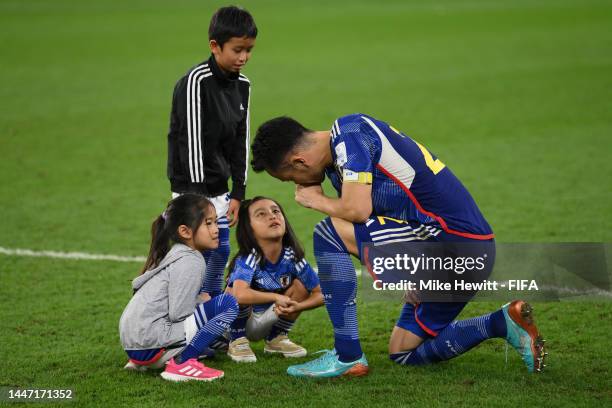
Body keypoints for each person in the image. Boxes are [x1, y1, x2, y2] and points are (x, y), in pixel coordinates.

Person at [250, 114, 546, 378]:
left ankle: (347, 356)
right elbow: (374, 222)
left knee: (328, 233)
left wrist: (317, 201)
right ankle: (501, 322)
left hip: (454, 242)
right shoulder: (339, 161)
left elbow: (358, 212)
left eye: (290, 178)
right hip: (466, 251)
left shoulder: (349, 132)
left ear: (299, 162)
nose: (296, 187)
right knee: (403, 351)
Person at [166, 6, 257, 299]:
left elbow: (239, 142)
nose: (243, 58)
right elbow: (189, 143)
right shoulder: (195, 83)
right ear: (215, 46)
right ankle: (185, 321)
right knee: (195, 260)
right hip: (192, 190)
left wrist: (238, 193)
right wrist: (198, 202)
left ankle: (210, 316)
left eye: (249, 50)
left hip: (221, 191)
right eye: (237, 50)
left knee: (221, 252)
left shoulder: (243, 86)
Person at [119, 194, 238, 382]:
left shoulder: (175, 253)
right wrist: (206, 305)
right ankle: (183, 362)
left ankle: (147, 360)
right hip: (150, 343)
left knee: (208, 304)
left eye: (215, 222)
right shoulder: (191, 260)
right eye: (208, 223)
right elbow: (178, 313)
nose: (216, 229)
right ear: (185, 231)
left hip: (136, 346)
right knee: (227, 304)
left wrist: (201, 302)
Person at [224, 196, 324, 362]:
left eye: (276, 211)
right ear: (249, 228)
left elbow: (321, 293)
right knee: (233, 290)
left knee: (301, 285)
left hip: (272, 317)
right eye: (261, 214)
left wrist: (298, 306)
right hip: (238, 322)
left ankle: (276, 338)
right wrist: (276, 297)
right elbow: (240, 295)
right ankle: (237, 340)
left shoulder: (293, 258)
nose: (272, 216)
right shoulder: (248, 257)